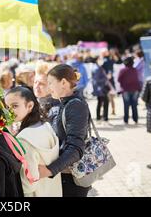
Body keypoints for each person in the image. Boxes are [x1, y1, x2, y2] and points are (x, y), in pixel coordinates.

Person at [39, 64, 91, 197]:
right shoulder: (64, 103)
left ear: (63, 82)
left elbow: (75, 148)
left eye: (50, 83)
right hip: (64, 174)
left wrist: (49, 170)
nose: (48, 87)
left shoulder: (75, 105)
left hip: (72, 179)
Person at [5, 86, 62, 197]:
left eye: (15, 106)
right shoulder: (45, 126)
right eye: (7, 107)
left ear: (30, 105)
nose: (9, 111)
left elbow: (28, 184)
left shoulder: (25, 139)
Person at [118, 57, 142, 124]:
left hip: (125, 89)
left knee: (126, 105)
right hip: (135, 89)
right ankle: (135, 119)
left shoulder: (122, 70)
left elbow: (119, 79)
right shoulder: (135, 70)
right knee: (134, 105)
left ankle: (126, 120)